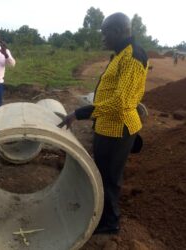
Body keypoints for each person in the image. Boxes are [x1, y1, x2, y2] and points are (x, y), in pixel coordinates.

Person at [57, 13, 148, 234]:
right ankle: (102, 213)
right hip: (107, 125)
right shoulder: (121, 54)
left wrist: (79, 113)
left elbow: (120, 103)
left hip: (119, 128)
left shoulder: (132, 57)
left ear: (118, 31)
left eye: (105, 32)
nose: (102, 37)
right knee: (102, 172)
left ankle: (110, 223)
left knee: (109, 176)